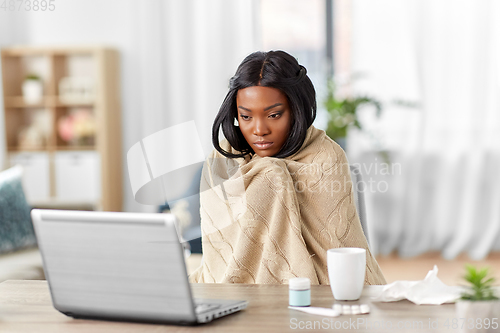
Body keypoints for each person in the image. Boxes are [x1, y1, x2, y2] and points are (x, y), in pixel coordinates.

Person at [190, 50, 386, 285]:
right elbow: (216, 259)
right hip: (227, 298)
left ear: (296, 110)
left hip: (319, 298)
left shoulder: (326, 157)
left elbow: (335, 253)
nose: (259, 129)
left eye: (274, 115)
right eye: (246, 116)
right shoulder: (221, 161)